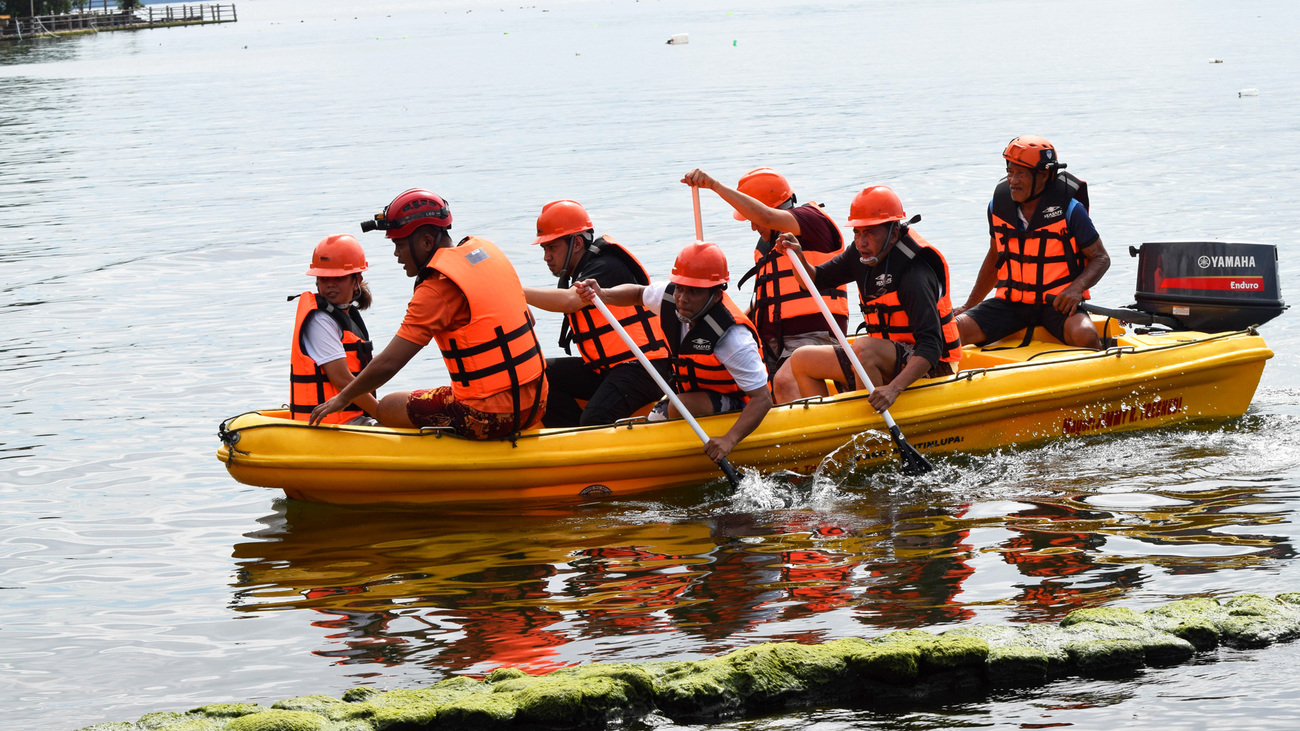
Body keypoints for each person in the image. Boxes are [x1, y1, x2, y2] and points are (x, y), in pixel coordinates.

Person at [309, 189, 547, 438]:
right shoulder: (487, 254)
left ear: (425, 242)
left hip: (487, 417)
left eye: (399, 244)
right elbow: (527, 318)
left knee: (389, 406)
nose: (396, 254)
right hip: (537, 402)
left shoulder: (436, 288)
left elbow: (390, 362)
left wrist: (342, 398)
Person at [574, 241, 773, 461]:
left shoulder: (733, 337)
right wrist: (604, 294)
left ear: (716, 295)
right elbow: (638, 294)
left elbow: (763, 398)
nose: (682, 298)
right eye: (680, 288)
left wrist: (729, 439)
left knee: (679, 407)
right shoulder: (671, 298)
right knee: (664, 412)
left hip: (737, 400)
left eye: (694, 291)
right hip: (693, 393)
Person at [771, 186, 962, 412]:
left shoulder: (914, 274)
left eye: (869, 232)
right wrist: (797, 255)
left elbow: (931, 347)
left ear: (893, 233)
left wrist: (893, 389)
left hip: (931, 365)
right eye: (857, 232)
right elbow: (812, 280)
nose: (861, 242)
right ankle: (834, 430)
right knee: (802, 359)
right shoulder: (860, 255)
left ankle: (867, 430)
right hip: (888, 356)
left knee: (865, 349)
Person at [521, 200, 673, 428]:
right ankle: (573, 434)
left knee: (596, 418)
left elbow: (572, 300)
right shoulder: (577, 273)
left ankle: (589, 431)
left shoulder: (605, 265)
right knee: (539, 373)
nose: (546, 257)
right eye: (544, 249)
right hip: (607, 368)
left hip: (645, 367)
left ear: (578, 243)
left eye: (552, 247)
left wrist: (513, 290)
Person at [681, 168, 849, 373]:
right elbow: (763, 302)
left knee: (786, 379)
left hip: (814, 340)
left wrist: (714, 185)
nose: (753, 227)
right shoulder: (765, 247)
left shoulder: (812, 221)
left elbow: (766, 217)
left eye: (752, 218)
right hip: (771, 344)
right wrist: (722, 327)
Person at [954, 135, 1111, 349]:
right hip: (1011, 304)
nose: (1013, 180)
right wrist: (969, 305)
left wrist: (1076, 289)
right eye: (1010, 172)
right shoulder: (997, 207)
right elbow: (994, 257)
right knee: (953, 330)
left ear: (1044, 174)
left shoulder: (1071, 209)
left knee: (1085, 335)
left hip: (1057, 304)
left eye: (1020, 173)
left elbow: (1100, 258)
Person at [288, 234, 380, 425]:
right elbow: (342, 380)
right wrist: (382, 414)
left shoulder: (348, 317)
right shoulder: (319, 321)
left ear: (357, 280)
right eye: (323, 278)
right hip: (333, 424)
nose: (330, 284)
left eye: (338, 277)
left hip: (352, 418)